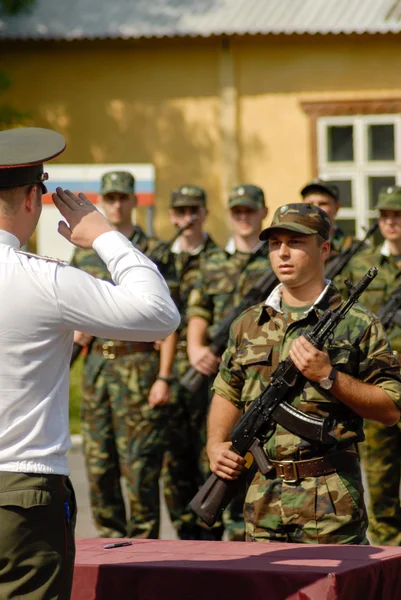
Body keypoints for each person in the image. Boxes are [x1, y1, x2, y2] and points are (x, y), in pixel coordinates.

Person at [0, 127, 179, 598]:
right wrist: (105, 236)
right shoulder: (42, 280)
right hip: (21, 492)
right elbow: (159, 314)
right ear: (32, 201)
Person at [208, 202, 401, 544]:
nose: (282, 252)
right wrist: (215, 444)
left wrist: (330, 376)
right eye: (274, 243)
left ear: (324, 249)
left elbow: (390, 409)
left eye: (296, 242)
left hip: (331, 504)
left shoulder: (358, 324)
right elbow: (227, 390)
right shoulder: (248, 324)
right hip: (262, 500)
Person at [71, 170, 179, 539]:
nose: (117, 205)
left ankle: (144, 554)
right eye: (111, 198)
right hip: (97, 366)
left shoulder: (155, 251)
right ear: (104, 201)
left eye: (123, 198)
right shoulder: (84, 253)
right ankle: (109, 549)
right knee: (100, 466)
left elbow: (171, 319)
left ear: (134, 201)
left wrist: (164, 376)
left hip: (139, 367)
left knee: (141, 467)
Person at [186, 183, 270, 540]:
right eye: (237, 212)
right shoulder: (213, 261)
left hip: (262, 375)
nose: (243, 217)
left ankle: (247, 527)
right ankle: (219, 530)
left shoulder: (274, 259)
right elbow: (198, 309)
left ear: (263, 213)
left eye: (250, 211)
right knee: (215, 449)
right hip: (221, 377)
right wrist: (195, 348)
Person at [338, 185, 401, 545]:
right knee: (380, 488)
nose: (391, 222)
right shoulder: (362, 266)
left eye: (397, 215)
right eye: (385, 216)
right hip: (378, 387)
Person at [161, 184, 219, 540]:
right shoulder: (159, 258)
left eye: (194, 211)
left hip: (208, 375)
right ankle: (186, 543)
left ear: (205, 214)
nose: (187, 218)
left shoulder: (219, 259)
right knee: (172, 467)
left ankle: (212, 542)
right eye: (181, 212)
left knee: (208, 459)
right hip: (168, 374)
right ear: (171, 216)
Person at [300, 178, 354, 257]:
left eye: (323, 203)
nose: (316, 209)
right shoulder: (292, 246)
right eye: (310, 204)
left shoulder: (355, 248)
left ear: (337, 207)